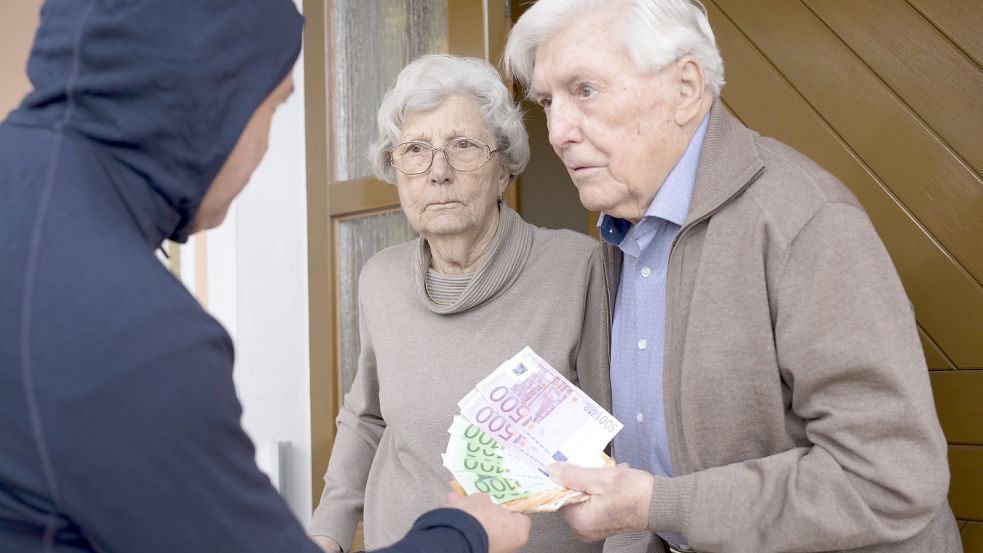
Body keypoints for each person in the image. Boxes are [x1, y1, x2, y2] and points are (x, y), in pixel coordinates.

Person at [0, 2, 529, 553]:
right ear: (216, 103)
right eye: (274, 109)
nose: (263, 151)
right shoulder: (133, 333)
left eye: (463, 146)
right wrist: (464, 533)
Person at [502, 1, 961, 552]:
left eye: (585, 90)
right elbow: (641, 467)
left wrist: (658, 505)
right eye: (548, 101)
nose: (557, 132)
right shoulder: (619, 234)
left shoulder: (805, 221)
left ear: (686, 87)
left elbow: (890, 478)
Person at [308, 54, 611, 553]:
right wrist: (328, 531)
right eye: (416, 150)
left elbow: (628, 445)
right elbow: (366, 417)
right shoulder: (380, 279)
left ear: (503, 169)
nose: (438, 172)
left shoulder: (579, 270)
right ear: (397, 171)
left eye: (464, 146)